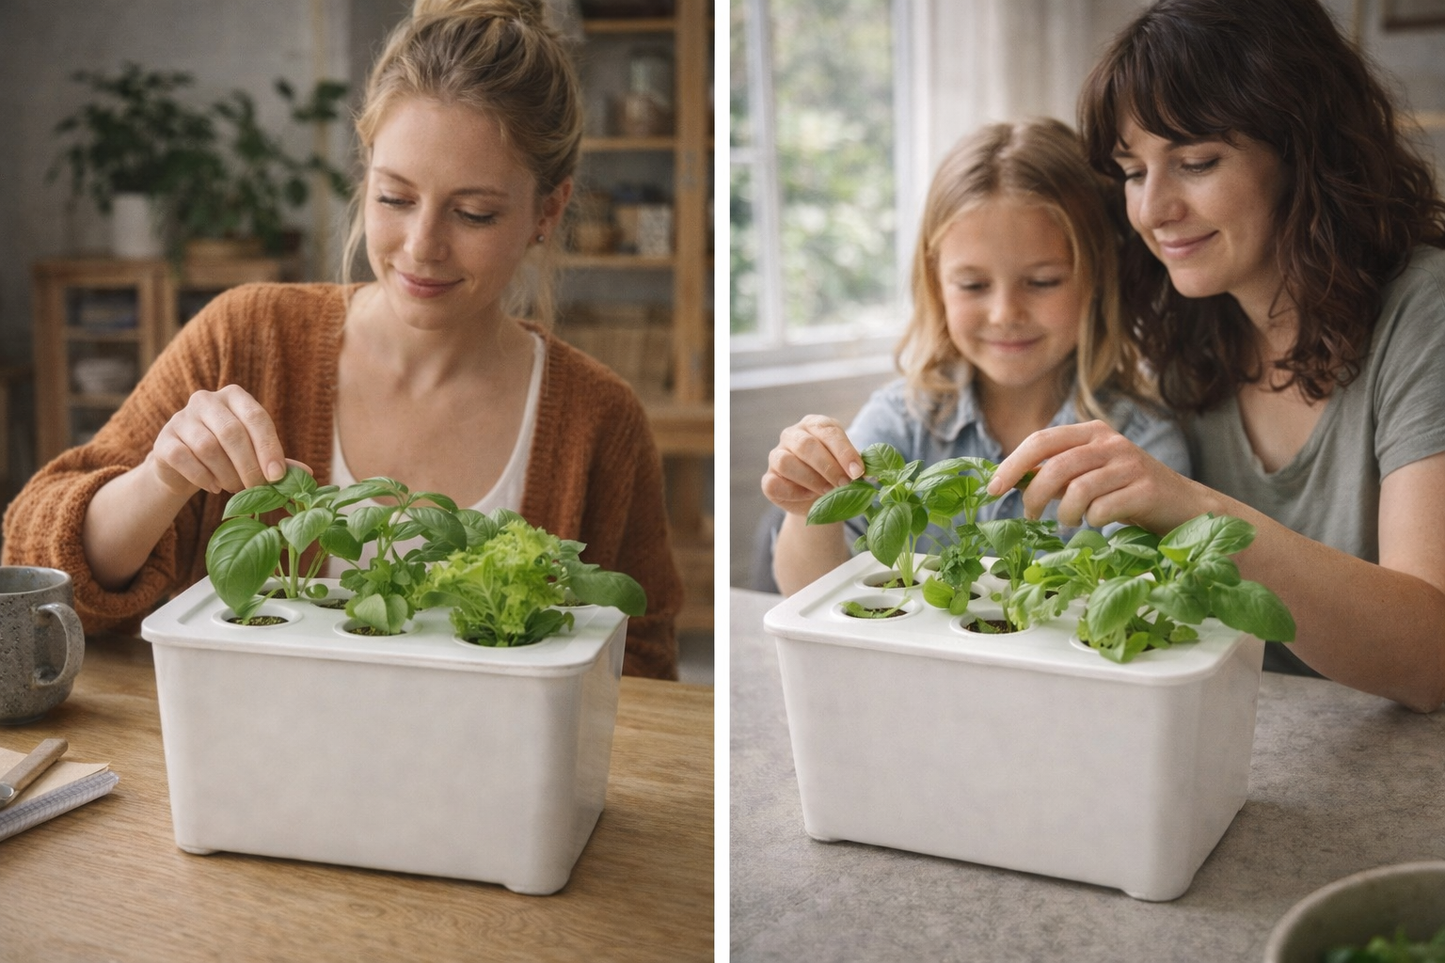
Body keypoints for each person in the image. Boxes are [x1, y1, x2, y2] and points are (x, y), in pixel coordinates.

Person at [1, 0, 684, 680]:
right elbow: (32, 562)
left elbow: (644, 672)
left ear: (548, 210)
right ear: (365, 173)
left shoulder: (600, 419)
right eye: (394, 197)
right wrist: (162, 477)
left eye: (474, 212)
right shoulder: (246, 336)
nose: (422, 247)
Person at [984, 0, 1445, 711]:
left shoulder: (1424, 310)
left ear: (1302, 152)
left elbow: (1432, 657)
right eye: (1133, 172)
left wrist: (1191, 508)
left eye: (1194, 162)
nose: (1151, 209)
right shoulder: (1182, 327)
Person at [761, 118, 1190, 595]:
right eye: (973, 285)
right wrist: (809, 506)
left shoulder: (1141, 444)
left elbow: (1147, 604)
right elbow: (807, 592)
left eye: (1042, 281)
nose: (1006, 313)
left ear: (1098, 276)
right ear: (936, 282)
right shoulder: (901, 422)